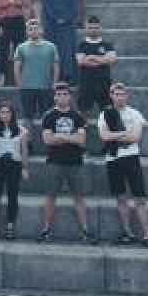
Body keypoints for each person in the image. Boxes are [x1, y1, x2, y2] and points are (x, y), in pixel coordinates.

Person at [38, 82, 96, 244]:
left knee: (79, 197)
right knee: (50, 196)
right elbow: (48, 140)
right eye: (59, 94)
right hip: (54, 162)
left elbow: (82, 140)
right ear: (55, 97)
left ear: (69, 96)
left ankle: (86, 230)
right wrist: (70, 138)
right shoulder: (48, 116)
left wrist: (61, 137)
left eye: (65, 94)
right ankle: (46, 230)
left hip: (75, 162)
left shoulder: (77, 116)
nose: (62, 97)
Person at [98, 83, 148, 246]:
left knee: (140, 198)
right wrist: (124, 133)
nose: (119, 97)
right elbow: (104, 136)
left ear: (126, 96)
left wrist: (115, 136)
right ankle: (127, 233)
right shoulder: (105, 114)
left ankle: (147, 234)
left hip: (131, 158)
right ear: (111, 96)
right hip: (112, 159)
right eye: (116, 94)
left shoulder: (135, 113)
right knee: (121, 198)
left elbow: (135, 138)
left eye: (122, 94)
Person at [0, 100, 30, 240]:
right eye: (2, 112)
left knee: (12, 196)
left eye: (8, 112)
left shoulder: (21, 130)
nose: (5, 115)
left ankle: (10, 226)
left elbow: (24, 150)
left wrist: (25, 167)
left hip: (14, 164)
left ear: (12, 114)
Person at [15, 19, 60, 129]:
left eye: (36, 28)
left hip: (45, 87)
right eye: (30, 29)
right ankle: (29, 142)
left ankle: (47, 140)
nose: (33, 31)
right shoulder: (21, 47)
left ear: (41, 30)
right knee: (27, 117)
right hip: (27, 87)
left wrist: (54, 83)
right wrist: (20, 84)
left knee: (47, 115)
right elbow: (17, 67)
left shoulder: (51, 46)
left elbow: (56, 66)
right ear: (27, 32)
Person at [76, 16, 117, 115]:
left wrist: (92, 57)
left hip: (104, 83)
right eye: (90, 28)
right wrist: (102, 60)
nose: (93, 30)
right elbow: (81, 61)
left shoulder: (107, 44)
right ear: (86, 29)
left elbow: (112, 59)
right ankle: (82, 129)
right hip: (86, 83)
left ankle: (108, 130)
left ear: (100, 28)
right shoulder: (82, 45)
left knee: (108, 112)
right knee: (83, 112)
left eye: (95, 28)